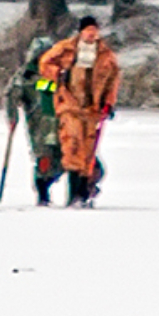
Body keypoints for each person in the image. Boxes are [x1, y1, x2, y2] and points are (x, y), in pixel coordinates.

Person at [39, 16, 120, 208]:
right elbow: (45, 63)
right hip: (69, 105)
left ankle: (83, 194)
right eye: (88, 30)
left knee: (88, 151)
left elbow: (113, 81)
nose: (91, 34)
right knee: (72, 145)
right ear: (81, 32)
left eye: (94, 30)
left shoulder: (106, 55)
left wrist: (108, 103)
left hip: (93, 109)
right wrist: (58, 73)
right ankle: (73, 192)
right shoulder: (65, 48)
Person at [5, 36, 64, 206]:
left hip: (63, 122)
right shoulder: (26, 75)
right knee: (44, 158)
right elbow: (12, 95)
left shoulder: (61, 73)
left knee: (67, 158)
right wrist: (12, 116)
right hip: (39, 125)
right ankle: (43, 194)